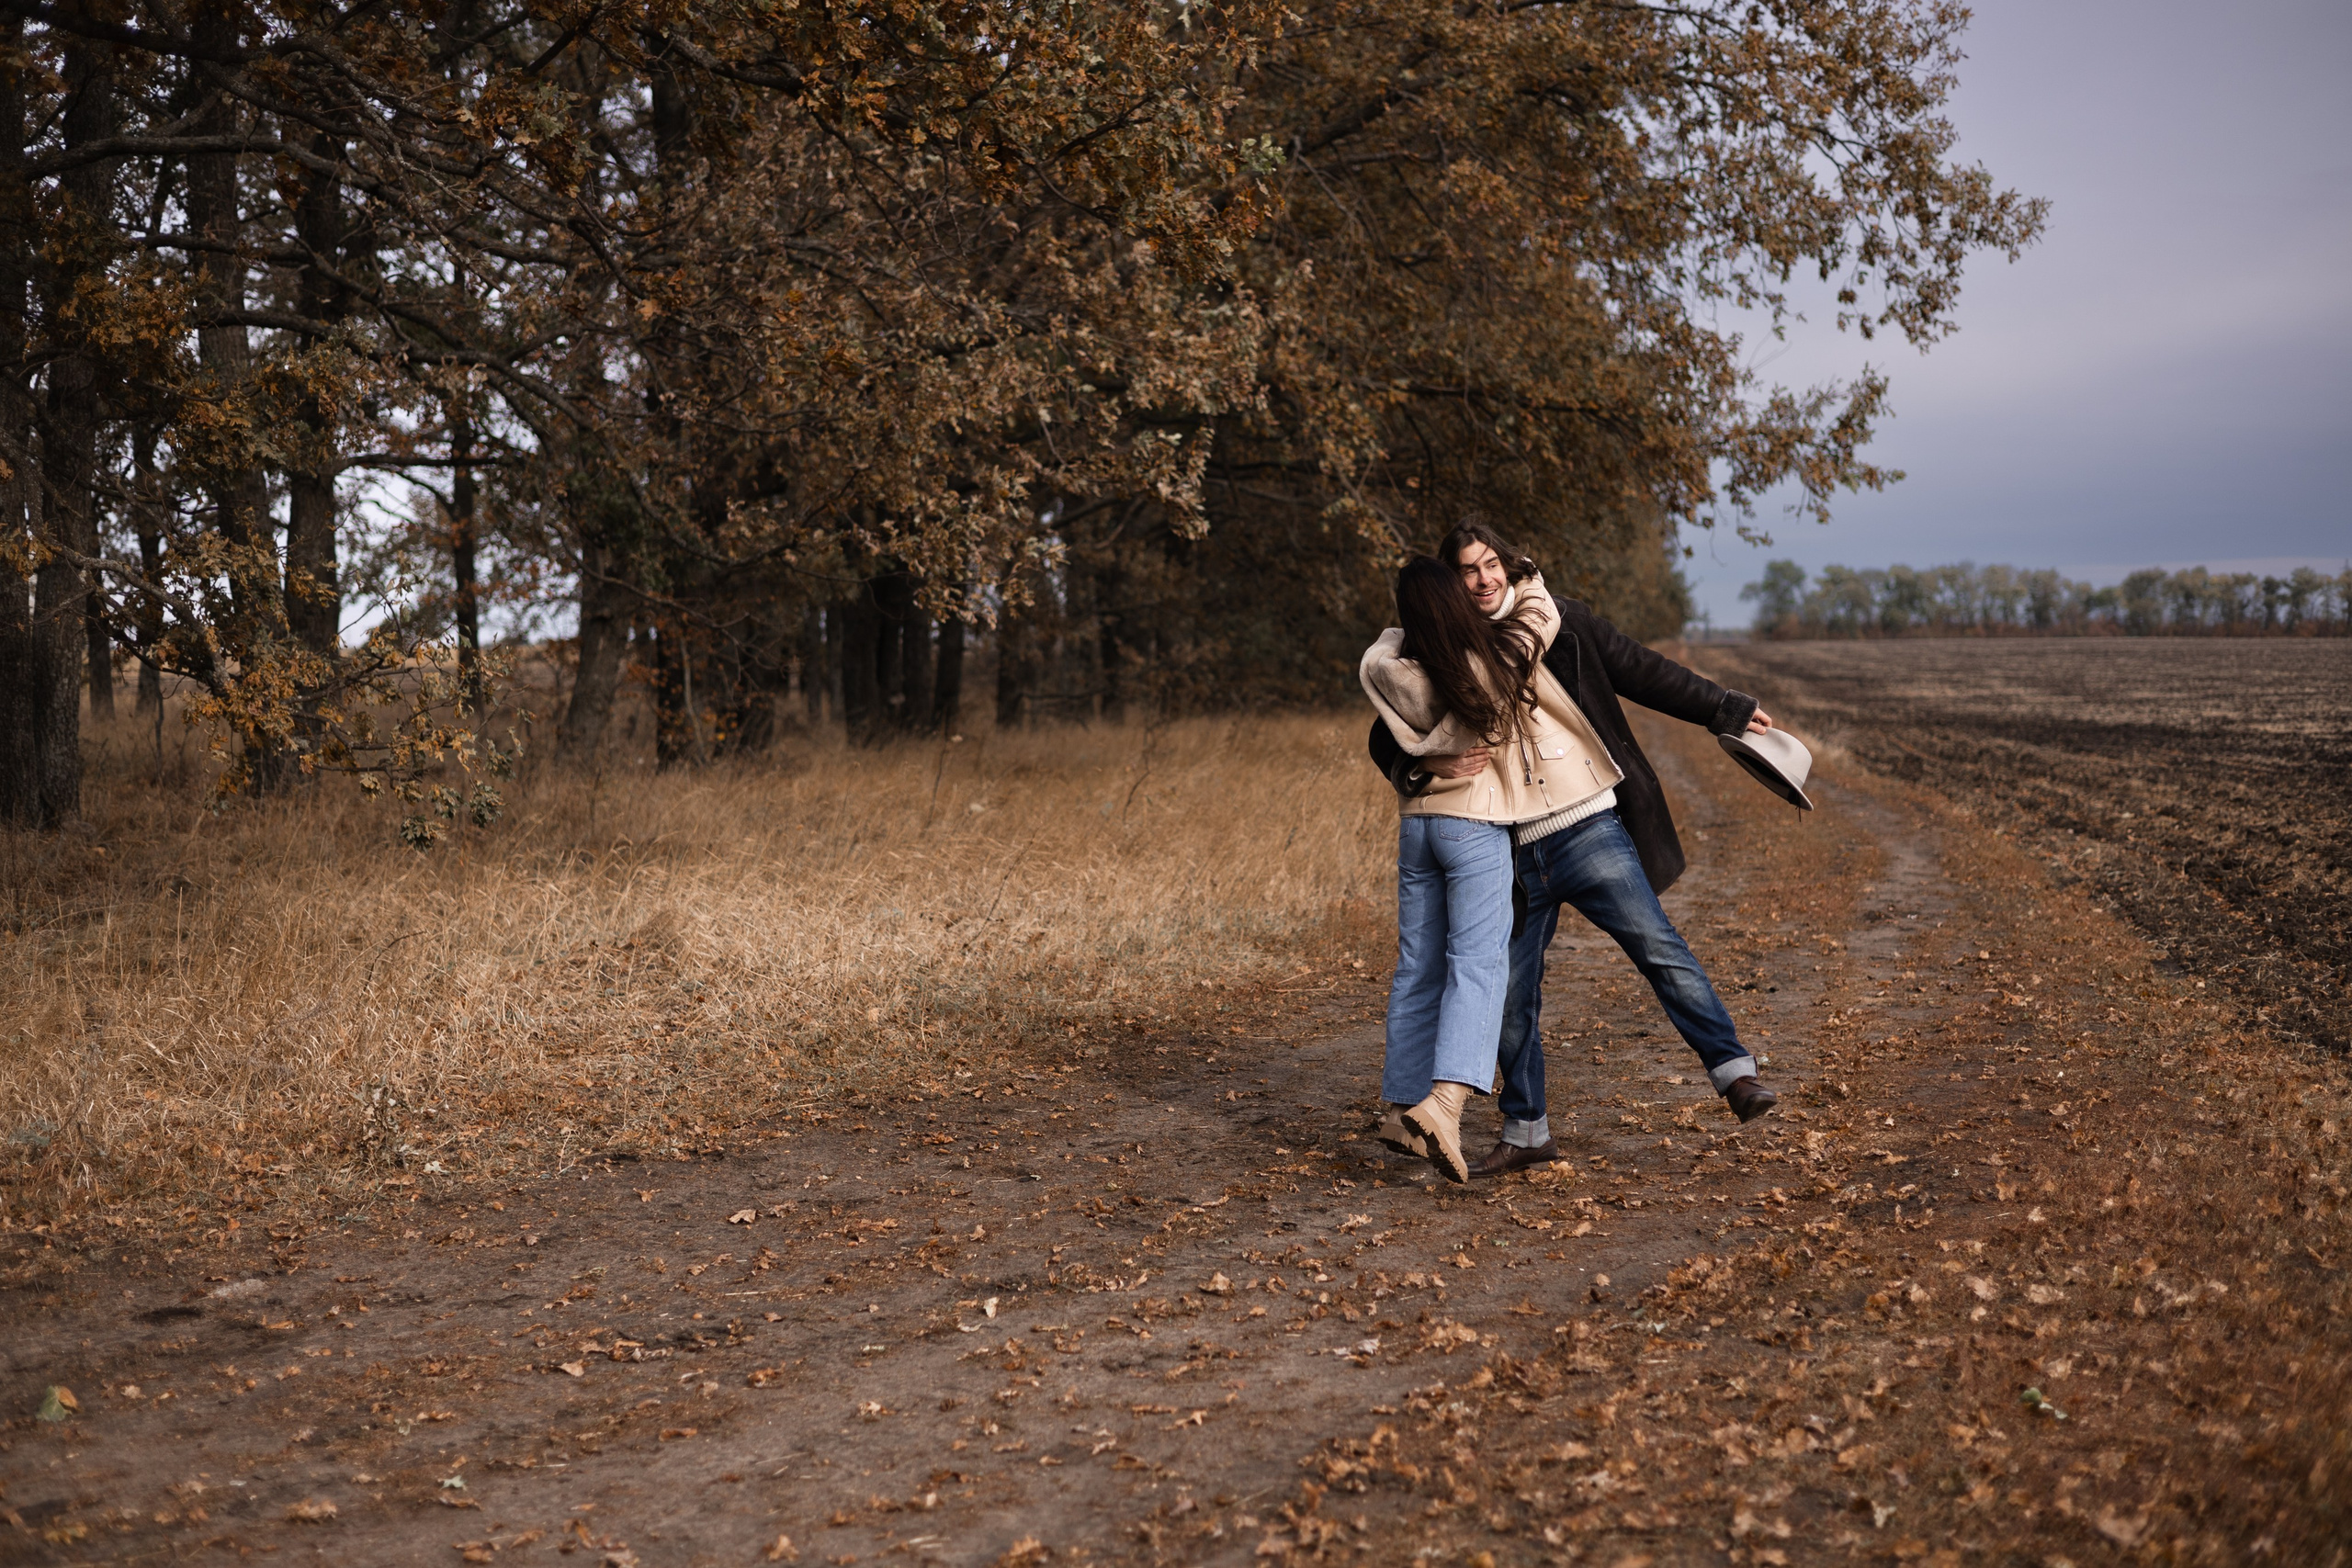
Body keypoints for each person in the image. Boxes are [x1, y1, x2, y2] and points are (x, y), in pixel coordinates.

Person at [1367, 521, 1784, 1178]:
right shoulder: (1448, 645)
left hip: (1587, 826)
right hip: (1508, 848)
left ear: (1507, 563)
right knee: (1508, 995)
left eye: (1491, 564)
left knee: (1660, 949)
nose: (1484, 579)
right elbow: (1387, 733)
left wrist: (1723, 707)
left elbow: (1643, 669)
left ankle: (1735, 1074)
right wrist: (1425, 766)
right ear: (1454, 582)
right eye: (1469, 571)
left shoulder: (1560, 621)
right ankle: (1527, 1130)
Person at [1358, 555, 1559, 1181]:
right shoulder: (1480, 665)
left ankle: (1400, 1106)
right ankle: (1445, 1104)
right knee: (1478, 962)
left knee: (1417, 966)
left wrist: (1421, 762)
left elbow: (1382, 726)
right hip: (1473, 824)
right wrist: (1529, 584)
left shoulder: (1393, 666)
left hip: (1418, 822)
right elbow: (1538, 625)